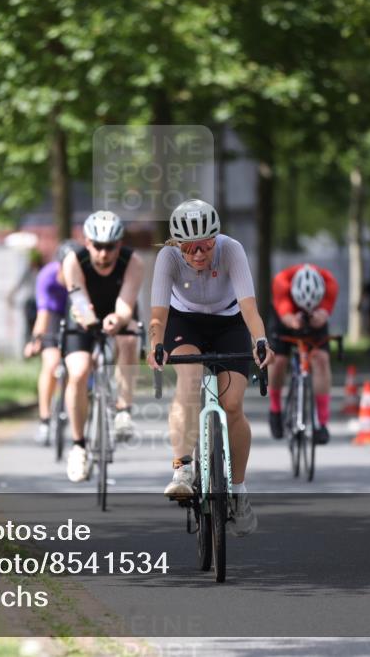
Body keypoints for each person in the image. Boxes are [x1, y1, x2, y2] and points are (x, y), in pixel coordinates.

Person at [148, 199, 273, 537]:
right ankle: (183, 469)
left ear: (216, 238)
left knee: (232, 405)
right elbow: (158, 315)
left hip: (228, 322)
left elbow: (249, 306)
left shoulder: (231, 250)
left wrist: (259, 340)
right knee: (188, 383)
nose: (198, 254)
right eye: (189, 247)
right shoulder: (167, 258)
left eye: (205, 244)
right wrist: (156, 345)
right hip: (184, 322)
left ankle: (238, 491)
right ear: (176, 245)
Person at [61, 211, 144, 483]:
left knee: (130, 340)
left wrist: (118, 319)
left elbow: (125, 305)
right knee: (79, 371)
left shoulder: (133, 262)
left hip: (118, 311)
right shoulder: (73, 261)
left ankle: (123, 410)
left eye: (110, 246)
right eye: (97, 245)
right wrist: (90, 319)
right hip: (82, 315)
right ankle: (78, 446)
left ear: (119, 244)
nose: (104, 253)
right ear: (87, 242)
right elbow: (79, 301)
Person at [267, 263, 338, 444]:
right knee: (279, 360)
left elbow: (324, 314)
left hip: (316, 315)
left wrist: (319, 316)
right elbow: (286, 317)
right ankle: (275, 409)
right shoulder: (281, 282)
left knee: (321, 359)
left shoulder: (330, 283)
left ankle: (321, 423)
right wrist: (294, 322)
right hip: (286, 317)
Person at [25, 241, 80, 445]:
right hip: (54, 316)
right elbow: (44, 314)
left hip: (75, 313)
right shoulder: (47, 277)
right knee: (51, 363)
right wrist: (35, 340)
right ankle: (45, 420)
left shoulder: (83, 278)